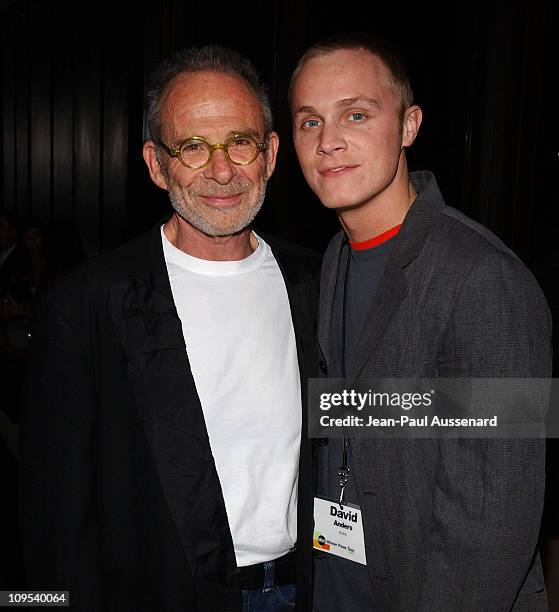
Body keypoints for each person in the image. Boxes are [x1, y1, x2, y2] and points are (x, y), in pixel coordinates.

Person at [21, 45, 319, 611]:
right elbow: (54, 518)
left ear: (271, 154)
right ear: (157, 165)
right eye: (192, 147)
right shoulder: (87, 307)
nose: (223, 170)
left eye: (240, 142)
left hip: (307, 589)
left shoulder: (318, 281)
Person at [289, 33, 552, 611]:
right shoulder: (336, 257)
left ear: (409, 126)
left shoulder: (484, 277)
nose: (329, 141)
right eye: (310, 122)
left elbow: (497, 517)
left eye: (355, 114)